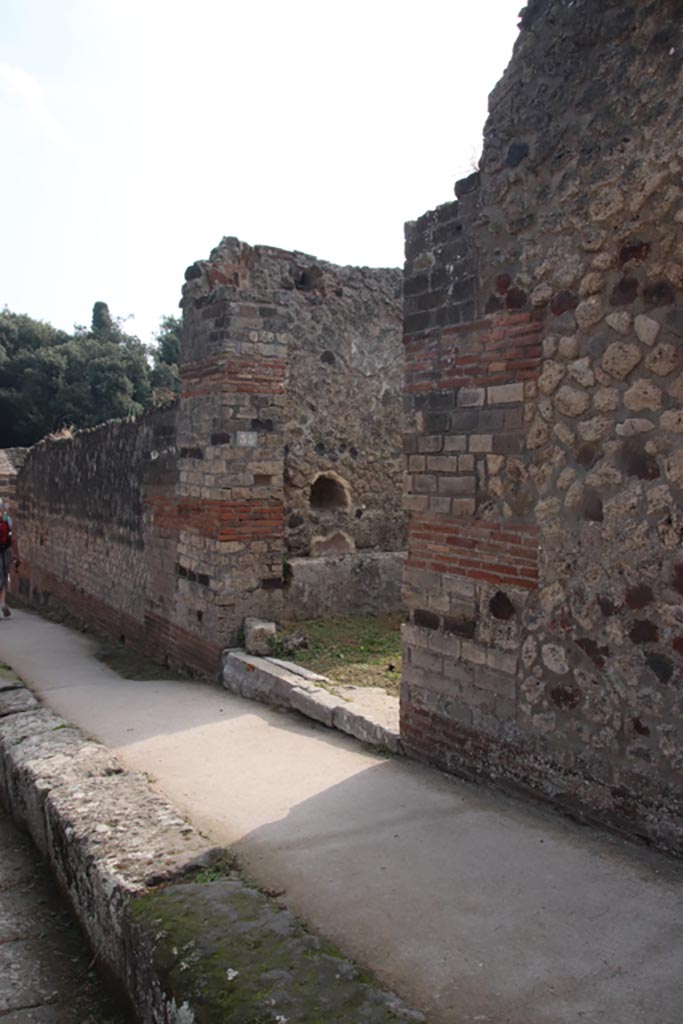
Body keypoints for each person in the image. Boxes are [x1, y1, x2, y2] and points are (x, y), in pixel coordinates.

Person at [0, 499, 17, 619]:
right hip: (4, 551)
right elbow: (12, 539)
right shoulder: (7, 520)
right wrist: (17, 554)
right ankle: (2, 602)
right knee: (3, 576)